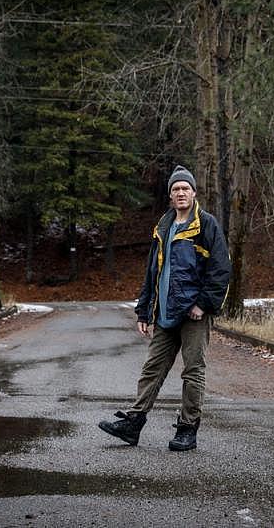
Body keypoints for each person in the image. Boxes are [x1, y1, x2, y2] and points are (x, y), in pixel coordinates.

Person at [98, 165, 231, 451]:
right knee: (152, 368)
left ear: (194, 192)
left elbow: (221, 270)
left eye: (185, 188)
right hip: (165, 312)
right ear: (170, 195)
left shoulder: (206, 224)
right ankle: (133, 424)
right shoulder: (164, 227)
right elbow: (152, 273)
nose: (180, 193)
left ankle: (187, 428)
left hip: (193, 314)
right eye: (175, 189)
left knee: (193, 371)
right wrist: (144, 310)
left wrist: (203, 304)